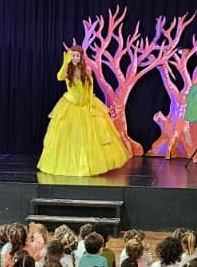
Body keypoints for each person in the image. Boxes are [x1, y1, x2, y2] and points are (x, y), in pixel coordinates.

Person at [37, 45, 130, 176]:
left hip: (86, 104)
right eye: (73, 55)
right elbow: (59, 77)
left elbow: (90, 87)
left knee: (91, 136)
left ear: (81, 57)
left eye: (77, 55)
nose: (75, 57)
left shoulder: (86, 70)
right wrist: (65, 63)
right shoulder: (68, 70)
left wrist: (91, 103)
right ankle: (70, 166)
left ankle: (89, 165)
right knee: (70, 136)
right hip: (70, 104)